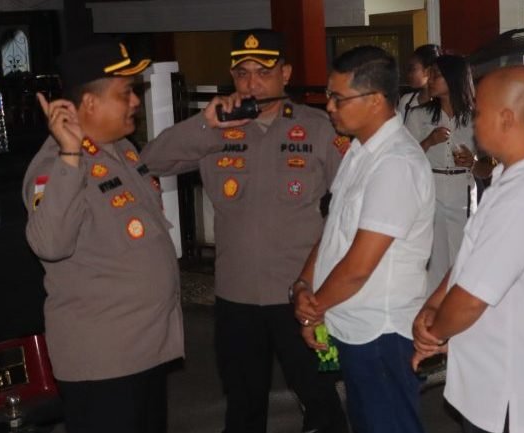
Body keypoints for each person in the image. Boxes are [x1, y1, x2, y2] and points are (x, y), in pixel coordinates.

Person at [140, 29, 347, 433]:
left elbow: (352, 205)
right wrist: (205, 122)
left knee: (319, 399)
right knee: (242, 404)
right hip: (236, 297)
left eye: (263, 72)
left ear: (285, 73)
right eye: (242, 73)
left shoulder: (319, 128)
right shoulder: (215, 129)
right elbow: (152, 160)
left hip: (301, 296)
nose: (251, 83)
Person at [23, 41, 183, 433]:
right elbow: (50, 244)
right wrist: (70, 157)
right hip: (104, 363)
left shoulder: (121, 150)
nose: (134, 101)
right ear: (90, 104)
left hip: (145, 351)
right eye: (126, 92)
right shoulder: (53, 166)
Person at [412, 65, 524, 433]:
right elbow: (474, 256)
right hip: (494, 371)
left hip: (511, 387)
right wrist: (436, 303)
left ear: (505, 118)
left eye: (479, 113)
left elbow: (471, 298)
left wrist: (434, 331)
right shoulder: (511, 176)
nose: (473, 123)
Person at [292, 45, 433, 433]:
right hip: (353, 324)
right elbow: (335, 230)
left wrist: (313, 308)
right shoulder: (360, 152)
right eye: (329, 97)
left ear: (374, 101)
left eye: (338, 98)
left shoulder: (395, 164)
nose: (330, 107)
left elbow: (359, 266)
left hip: (381, 334)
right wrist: (304, 285)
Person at [405, 54, 476, 291]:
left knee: (462, 254)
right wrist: (428, 141)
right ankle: (431, 313)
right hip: (430, 187)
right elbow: (405, 159)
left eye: (436, 75)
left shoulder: (476, 117)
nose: (430, 80)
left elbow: (492, 164)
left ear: (454, 79)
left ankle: (458, 312)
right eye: (430, 74)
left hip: (462, 189)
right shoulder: (418, 115)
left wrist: (472, 161)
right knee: (432, 256)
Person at [397, 44, 441, 122]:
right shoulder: (406, 101)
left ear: (427, 71)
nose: (408, 74)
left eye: (412, 69)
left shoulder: (444, 103)